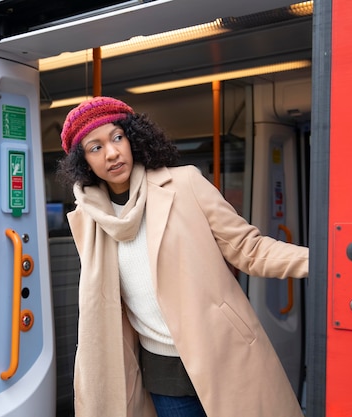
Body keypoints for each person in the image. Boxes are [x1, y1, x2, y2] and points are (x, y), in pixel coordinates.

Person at [57, 96, 309, 417]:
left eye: (117, 137)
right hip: (162, 371)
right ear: (84, 163)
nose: (111, 152)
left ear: (134, 138)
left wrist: (320, 263)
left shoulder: (185, 182)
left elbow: (250, 249)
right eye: (95, 147)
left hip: (222, 352)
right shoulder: (89, 219)